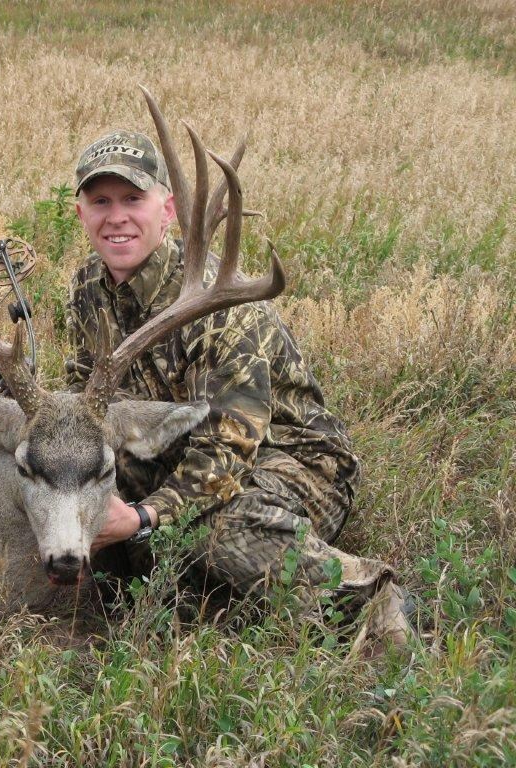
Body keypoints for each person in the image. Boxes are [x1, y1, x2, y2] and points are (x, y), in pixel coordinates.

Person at [64, 130, 414, 653]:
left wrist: (139, 516)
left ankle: (369, 598)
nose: (117, 217)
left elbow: (227, 453)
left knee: (213, 531)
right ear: (82, 214)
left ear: (167, 210)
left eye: (133, 199)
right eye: (101, 202)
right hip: (171, 455)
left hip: (288, 463)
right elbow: (85, 401)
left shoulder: (216, 300)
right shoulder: (87, 288)